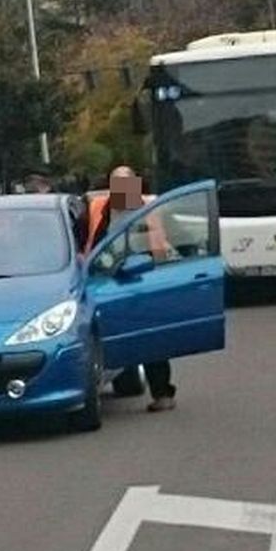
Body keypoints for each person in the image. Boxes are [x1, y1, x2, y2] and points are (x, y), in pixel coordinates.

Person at [83, 166, 176, 412]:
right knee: (108, 334)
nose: (123, 191)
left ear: (136, 185)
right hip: (104, 280)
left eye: (127, 184)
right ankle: (115, 376)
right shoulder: (97, 208)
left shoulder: (149, 208)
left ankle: (162, 392)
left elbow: (162, 245)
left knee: (151, 336)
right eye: (117, 185)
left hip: (141, 279)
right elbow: (85, 241)